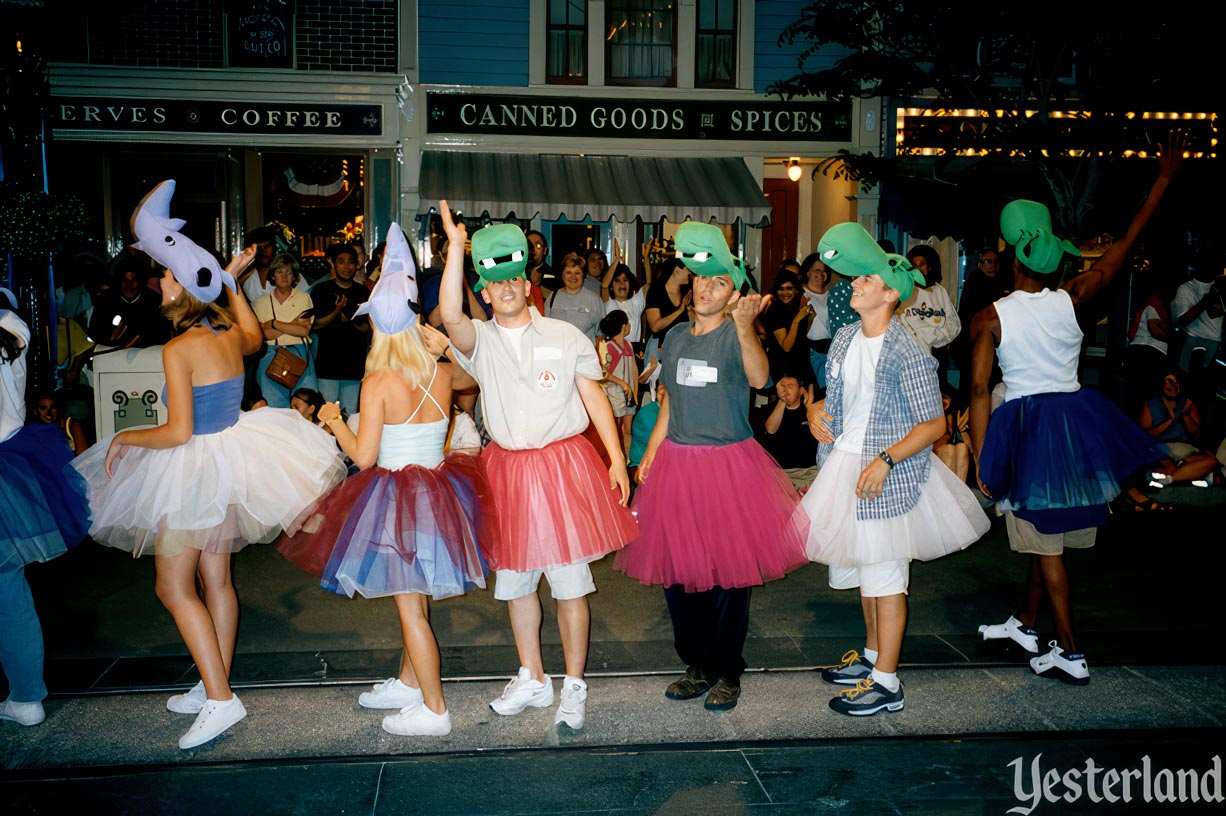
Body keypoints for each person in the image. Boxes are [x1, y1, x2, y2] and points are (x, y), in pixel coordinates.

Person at [70, 180, 346, 750]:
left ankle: (220, 699)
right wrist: (234, 282)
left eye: (166, 276)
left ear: (181, 292)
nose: (159, 281)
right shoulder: (226, 334)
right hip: (229, 454)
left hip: (193, 464)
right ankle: (211, 680)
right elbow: (252, 335)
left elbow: (176, 430)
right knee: (216, 578)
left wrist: (126, 436)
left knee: (174, 588)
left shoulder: (178, 348)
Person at [970, 136, 1183, 685]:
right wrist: (1161, 180)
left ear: (1014, 257)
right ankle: (1025, 622)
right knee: (1051, 531)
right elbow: (1128, 241)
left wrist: (980, 458)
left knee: (1045, 543)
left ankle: (1069, 651)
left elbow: (976, 392)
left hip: (1025, 427)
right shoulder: (1077, 295)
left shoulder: (990, 318)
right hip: (1072, 423)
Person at [278, 223, 496, 737]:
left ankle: (436, 710)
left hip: (397, 491)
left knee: (410, 608)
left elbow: (366, 456)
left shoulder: (377, 381)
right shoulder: (442, 372)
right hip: (438, 490)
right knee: (412, 594)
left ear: (378, 324)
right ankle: (407, 682)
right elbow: (475, 377)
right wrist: (443, 346)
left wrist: (332, 421)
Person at [438, 205, 638, 731]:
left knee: (571, 583)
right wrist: (457, 247)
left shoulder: (565, 336)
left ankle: (573, 684)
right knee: (517, 583)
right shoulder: (477, 342)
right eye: (493, 283)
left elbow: (592, 396)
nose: (504, 288)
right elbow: (450, 316)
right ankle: (532, 675)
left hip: (562, 467)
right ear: (484, 291)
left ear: (528, 285)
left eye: (513, 280)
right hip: (508, 470)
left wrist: (616, 458)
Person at [615, 222, 809, 712]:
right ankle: (695, 663)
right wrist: (652, 457)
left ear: (733, 294)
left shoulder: (736, 334)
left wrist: (745, 327)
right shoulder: (676, 337)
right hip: (678, 467)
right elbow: (670, 403)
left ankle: (727, 669)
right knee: (679, 575)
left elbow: (761, 377)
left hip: (728, 467)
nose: (705, 287)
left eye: (719, 282)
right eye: (701, 279)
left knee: (727, 576)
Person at [799, 224, 989, 716]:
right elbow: (834, 400)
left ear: (889, 294)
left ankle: (888, 683)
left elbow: (934, 424)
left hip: (888, 471)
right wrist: (814, 412)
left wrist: (886, 460)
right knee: (866, 568)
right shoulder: (843, 338)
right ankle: (871, 658)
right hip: (845, 464)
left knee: (886, 575)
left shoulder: (908, 349)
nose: (855, 284)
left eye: (865, 280)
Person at [1, 287, 91, 728]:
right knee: (8, 592)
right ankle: (26, 697)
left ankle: (24, 697)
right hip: (12, 467)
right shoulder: (13, 326)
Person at [310, 243, 371, 416]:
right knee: (327, 415)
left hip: (354, 365)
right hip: (327, 364)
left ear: (357, 264)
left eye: (351, 262)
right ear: (333, 264)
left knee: (350, 414)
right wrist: (336, 312)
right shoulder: (321, 291)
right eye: (341, 262)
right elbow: (314, 325)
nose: (346, 267)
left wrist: (351, 320)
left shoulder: (363, 292)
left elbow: (368, 329)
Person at [252, 253, 318, 408]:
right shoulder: (260, 302)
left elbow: (304, 332)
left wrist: (274, 323)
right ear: (272, 276)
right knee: (273, 405)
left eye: (289, 272)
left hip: (300, 352)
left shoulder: (304, 298)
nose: (284, 276)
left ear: (294, 276)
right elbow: (263, 335)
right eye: (279, 272)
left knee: (305, 404)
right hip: (271, 354)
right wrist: (294, 325)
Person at [1139, 369, 1220, 488]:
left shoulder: (1188, 404)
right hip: (1161, 451)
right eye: (1169, 381)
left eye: (1176, 382)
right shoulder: (1150, 405)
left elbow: (1195, 435)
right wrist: (1170, 420)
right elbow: (1144, 436)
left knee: (1211, 461)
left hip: (1186, 452)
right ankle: (1185, 475)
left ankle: (1172, 478)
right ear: (1162, 383)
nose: (1173, 386)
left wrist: (1185, 414)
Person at [953, 247, 1011, 400]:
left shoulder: (1001, 283)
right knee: (972, 386)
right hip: (972, 343)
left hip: (994, 345)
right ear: (980, 264)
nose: (992, 265)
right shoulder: (975, 281)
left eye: (996, 262)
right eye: (988, 262)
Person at [758, 371, 819, 493]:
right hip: (781, 473)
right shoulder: (771, 410)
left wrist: (810, 410)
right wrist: (782, 401)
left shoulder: (810, 410)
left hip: (808, 472)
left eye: (790, 386)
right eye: (782, 386)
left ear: (801, 390)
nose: (786, 389)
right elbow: (770, 429)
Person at [899, 245, 961, 362]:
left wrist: (940, 338)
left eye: (922, 264)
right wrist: (924, 337)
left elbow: (953, 323)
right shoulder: (905, 291)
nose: (918, 270)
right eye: (914, 265)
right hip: (912, 351)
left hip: (939, 351)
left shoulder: (939, 291)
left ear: (930, 266)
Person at [87, 262, 170, 349]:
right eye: (125, 280)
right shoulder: (105, 300)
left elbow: (163, 334)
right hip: (112, 355)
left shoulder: (153, 300)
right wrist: (112, 338)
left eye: (133, 280)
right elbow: (94, 333)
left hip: (146, 355)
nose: (129, 285)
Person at [760, 267, 814, 385]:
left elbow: (803, 334)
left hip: (801, 363)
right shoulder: (774, 311)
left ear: (796, 290)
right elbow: (786, 347)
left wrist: (809, 316)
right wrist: (797, 320)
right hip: (783, 368)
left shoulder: (796, 307)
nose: (785, 293)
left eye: (789, 288)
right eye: (781, 289)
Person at [597, 309, 638, 459]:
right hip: (615, 392)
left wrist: (634, 391)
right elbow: (603, 373)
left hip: (628, 394)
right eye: (627, 324)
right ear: (623, 326)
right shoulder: (608, 346)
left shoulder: (628, 345)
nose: (629, 327)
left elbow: (634, 369)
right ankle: (617, 458)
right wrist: (622, 384)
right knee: (617, 427)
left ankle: (628, 460)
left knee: (627, 429)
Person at [600, 238, 651, 354]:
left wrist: (646, 259)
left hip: (634, 351)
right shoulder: (609, 303)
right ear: (612, 285)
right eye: (617, 280)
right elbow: (604, 285)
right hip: (613, 351)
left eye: (625, 280)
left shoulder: (636, 303)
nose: (622, 284)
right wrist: (617, 259)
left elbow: (648, 284)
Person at [800, 252, 839, 395]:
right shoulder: (802, 295)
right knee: (820, 391)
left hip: (832, 348)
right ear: (808, 272)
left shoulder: (832, 295)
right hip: (811, 350)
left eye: (824, 271)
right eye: (817, 270)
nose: (821, 274)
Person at [546, 252, 605, 341]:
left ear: (583, 275)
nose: (573, 277)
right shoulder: (552, 298)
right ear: (562, 275)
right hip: (558, 353)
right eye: (568, 272)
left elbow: (601, 334)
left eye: (577, 273)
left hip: (584, 353)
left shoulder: (594, 300)